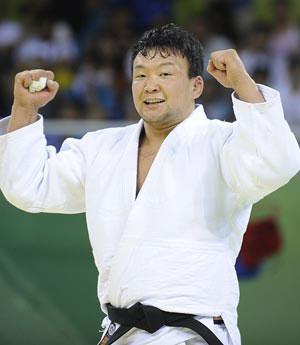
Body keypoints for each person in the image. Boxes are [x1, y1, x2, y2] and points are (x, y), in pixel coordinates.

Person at [0, 23, 299, 345]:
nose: (150, 85)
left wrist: (243, 85)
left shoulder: (221, 143)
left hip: (193, 334)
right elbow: (28, 187)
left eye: (165, 74)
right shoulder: (102, 148)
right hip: (123, 332)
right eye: (140, 74)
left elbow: (276, 164)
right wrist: (25, 109)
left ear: (197, 85)